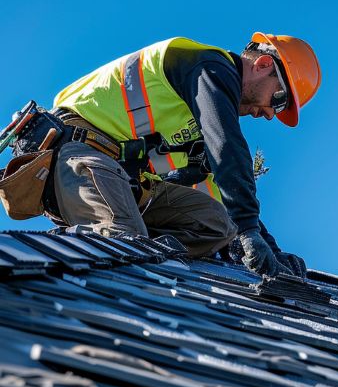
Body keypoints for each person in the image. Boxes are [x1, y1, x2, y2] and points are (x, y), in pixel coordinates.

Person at [46, 34, 320, 277]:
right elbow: (227, 146)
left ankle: (144, 249)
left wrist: (267, 247)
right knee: (123, 245)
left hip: (124, 184)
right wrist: (249, 229)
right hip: (78, 152)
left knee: (219, 227)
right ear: (263, 65)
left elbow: (223, 189)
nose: (271, 114)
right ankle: (89, 246)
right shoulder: (208, 68)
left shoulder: (198, 115)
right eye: (279, 100)